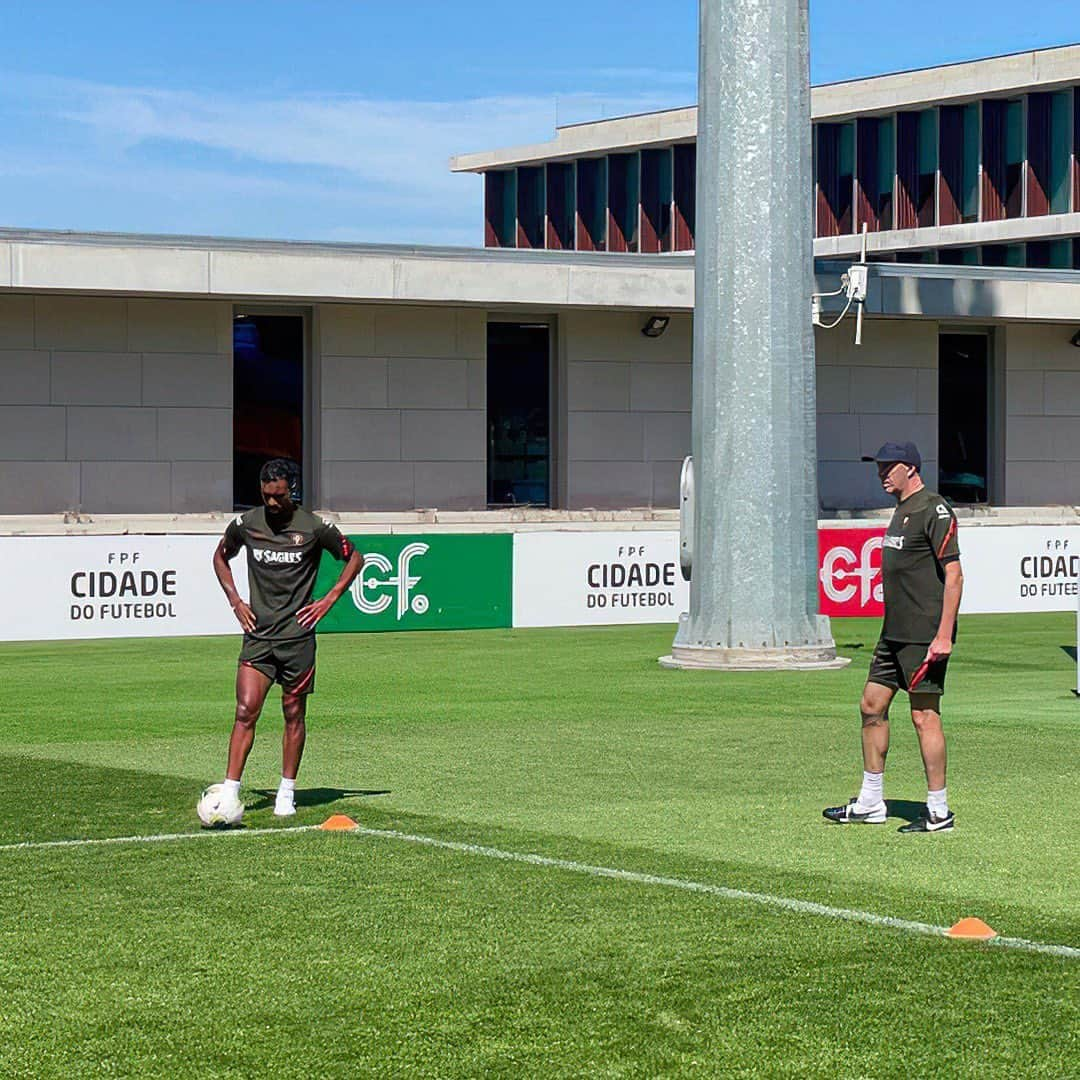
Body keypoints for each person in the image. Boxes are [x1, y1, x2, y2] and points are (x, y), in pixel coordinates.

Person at [207, 458, 362, 819]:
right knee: (245, 710)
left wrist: (329, 599)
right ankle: (230, 792)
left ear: (291, 489)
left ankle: (286, 791)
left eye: (278, 496)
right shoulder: (247, 524)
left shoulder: (313, 527)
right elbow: (220, 555)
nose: (272, 503)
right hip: (259, 638)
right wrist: (235, 601)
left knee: (293, 714)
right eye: (266, 496)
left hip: (297, 640)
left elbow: (354, 556)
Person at [824, 441, 963, 833]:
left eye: (889, 467)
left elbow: (954, 575)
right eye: (879, 467)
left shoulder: (933, 508)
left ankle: (939, 811)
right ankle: (870, 802)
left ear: (911, 469)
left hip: (924, 635)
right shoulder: (901, 510)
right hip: (893, 634)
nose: (882, 473)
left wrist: (943, 636)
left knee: (923, 716)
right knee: (871, 705)